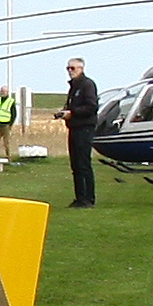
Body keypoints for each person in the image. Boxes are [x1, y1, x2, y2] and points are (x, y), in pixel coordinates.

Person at [58, 58, 98, 208]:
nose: (70, 71)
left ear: (81, 69)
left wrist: (73, 113)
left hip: (84, 128)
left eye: (73, 68)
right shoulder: (74, 87)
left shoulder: (87, 85)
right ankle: (80, 197)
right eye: (68, 68)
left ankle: (88, 198)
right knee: (75, 164)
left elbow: (91, 107)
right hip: (74, 128)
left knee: (83, 163)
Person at [0, 85, 17, 158]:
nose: (3, 92)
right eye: (2, 91)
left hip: (6, 125)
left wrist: (10, 124)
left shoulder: (10, 101)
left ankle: (8, 156)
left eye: (4, 91)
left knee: (6, 143)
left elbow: (14, 114)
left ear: (7, 92)